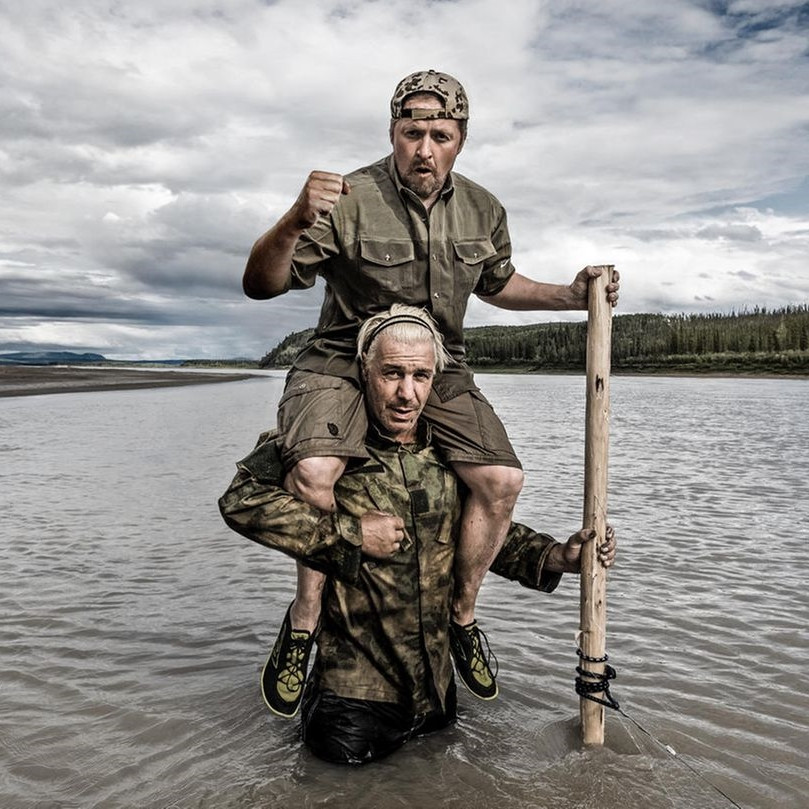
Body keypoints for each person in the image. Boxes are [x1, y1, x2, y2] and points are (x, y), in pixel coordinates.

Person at [242, 69, 620, 711]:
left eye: (439, 135)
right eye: (411, 132)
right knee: (313, 470)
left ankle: (463, 616)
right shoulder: (350, 198)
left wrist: (574, 294)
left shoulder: (483, 208)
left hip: (437, 361)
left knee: (501, 482)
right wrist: (295, 217)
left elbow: (498, 285)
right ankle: (305, 618)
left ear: (460, 139)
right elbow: (262, 283)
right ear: (393, 132)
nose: (424, 148)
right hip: (342, 355)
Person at [219, 305, 616, 764]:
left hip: (436, 691)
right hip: (353, 697)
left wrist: (555, 557)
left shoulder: (453, 449)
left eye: (421, 377)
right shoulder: (323, 444)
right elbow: (240, 501)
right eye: (391, 374)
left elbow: (474, 535)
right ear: (364, 371)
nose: (407, 394)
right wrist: (351, 534)